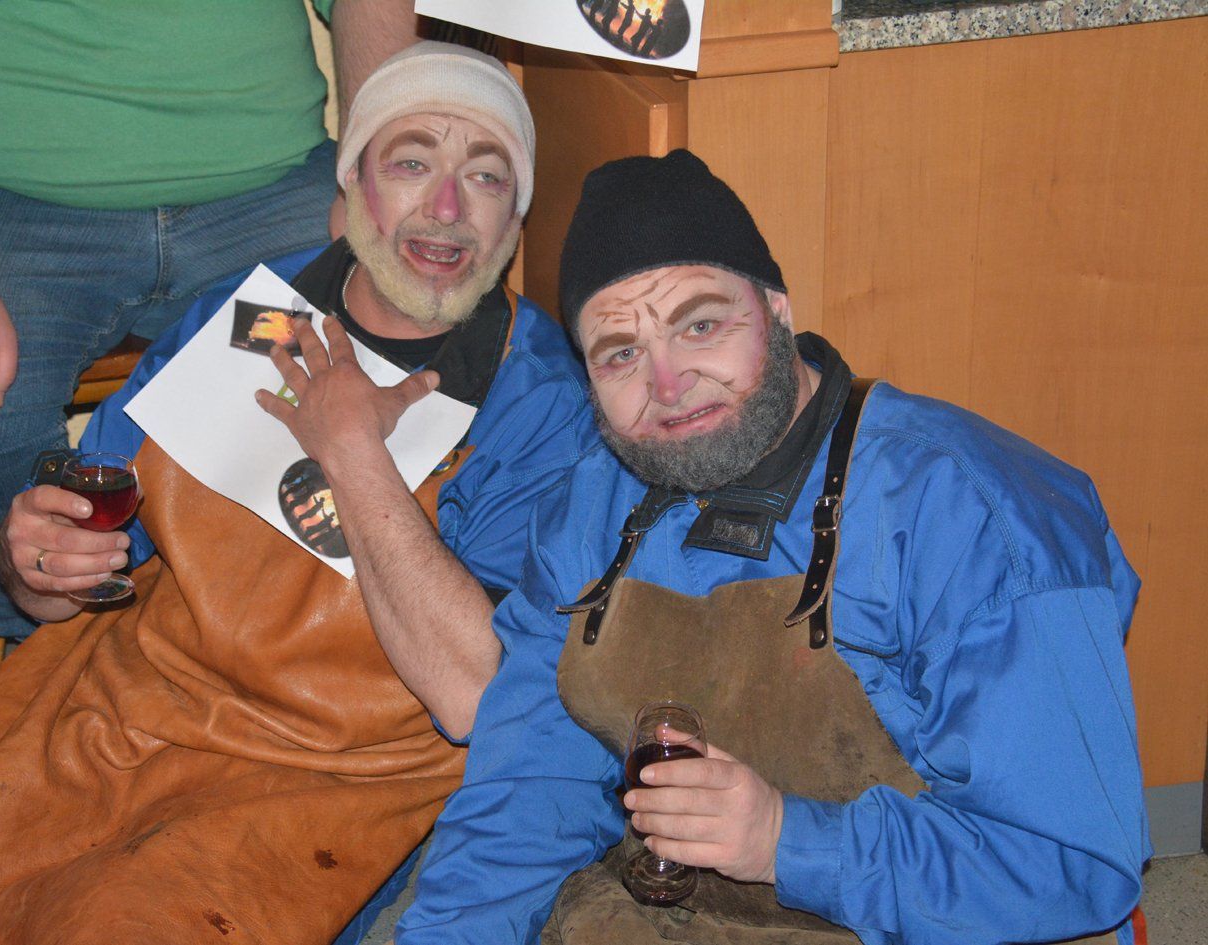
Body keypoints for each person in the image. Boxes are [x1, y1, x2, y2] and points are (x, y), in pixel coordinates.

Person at [0, 42, 596, 945]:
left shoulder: (541, 400)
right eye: (411, 163)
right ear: (353, 186)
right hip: (120, 688)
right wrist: (33, 563)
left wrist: (353, 453)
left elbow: (473, 695)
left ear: (515, 217)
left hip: (315, 770)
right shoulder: (244, 311)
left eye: (485, 178)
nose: (446, 208)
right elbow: (66, 573)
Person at [395, 150, 1150, 944]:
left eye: (699, 324)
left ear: (777, 310)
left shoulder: (970, 512)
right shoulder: (587, 510)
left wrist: (785, 841)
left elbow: (1073, 864)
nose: (668, 383)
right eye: (620, 353)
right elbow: (529, 784)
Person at [0, 0, 418, 641]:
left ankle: (277, 630)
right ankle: (55, 642)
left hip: (269, 183)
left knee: (408, 345)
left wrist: (374, 175)